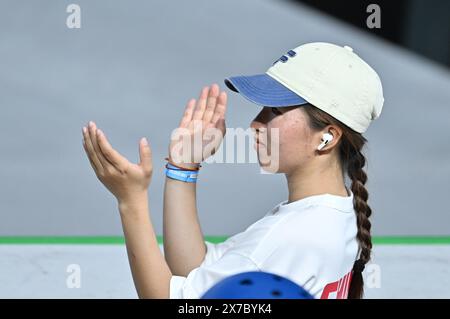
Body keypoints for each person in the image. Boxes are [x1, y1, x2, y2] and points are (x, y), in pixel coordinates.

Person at [82, 42, 384, 299]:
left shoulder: (288, 238)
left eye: (275, 111)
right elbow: (197, 274)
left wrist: (130, 202)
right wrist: (183, 167)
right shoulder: (339, 211)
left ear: (327, 136)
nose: (255, 123)